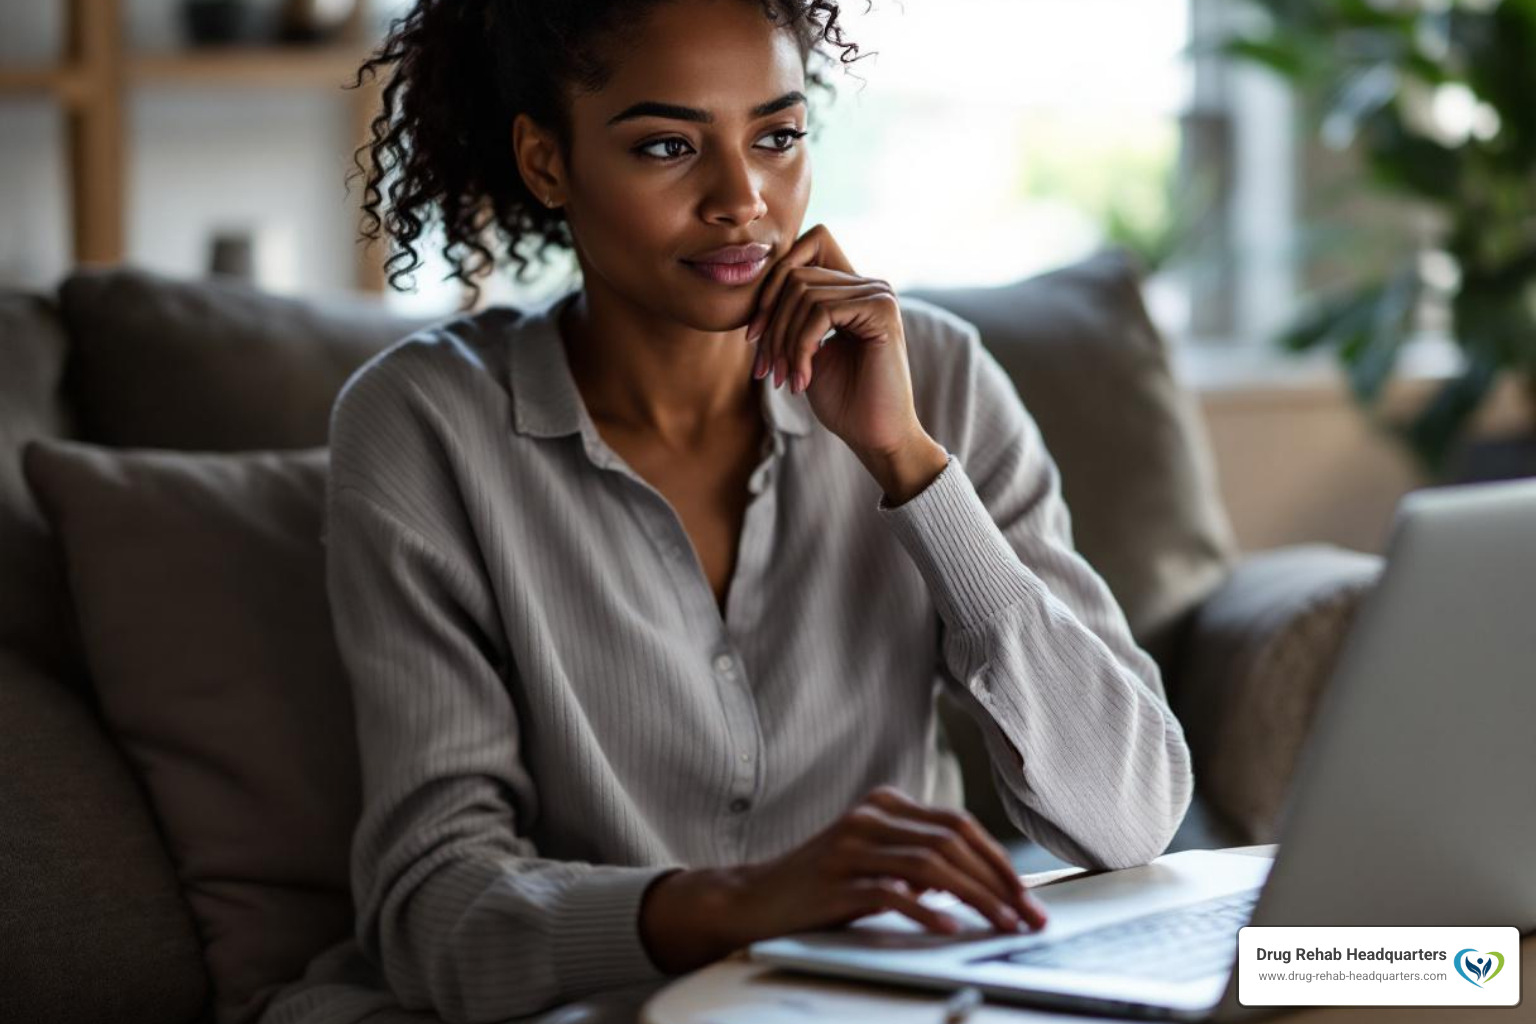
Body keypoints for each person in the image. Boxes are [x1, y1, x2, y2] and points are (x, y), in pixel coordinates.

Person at [257, 1, 1194, 1022]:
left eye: (779, 137)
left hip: (894, 1005)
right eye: (667, 145)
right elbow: (434, 911)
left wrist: (909, 466)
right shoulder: (425, 423)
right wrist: (743, 904)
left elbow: (1130, 817)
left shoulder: (938, 379)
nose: (743, 200)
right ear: (547, 162)